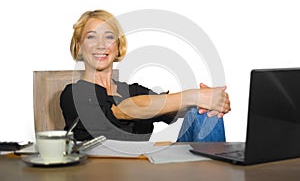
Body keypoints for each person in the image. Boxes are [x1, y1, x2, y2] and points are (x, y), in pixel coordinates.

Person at [60, 9, 231, 142]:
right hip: (100, 174)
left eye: (109, 37)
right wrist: (192, 95)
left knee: (205, 113)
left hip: (144, 169)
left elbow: (170, 108)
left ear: (118, 47)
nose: (101, 45)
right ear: (78, 47)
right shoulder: (74, 94)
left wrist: (210, 100)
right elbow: (122, 111)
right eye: (91, 37)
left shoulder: (133, 91)